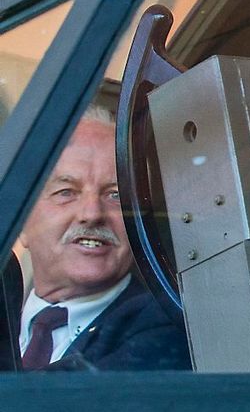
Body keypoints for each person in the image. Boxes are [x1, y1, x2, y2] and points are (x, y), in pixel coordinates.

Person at [17, 106, 190, 371]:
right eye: (66, 192)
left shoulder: (169, 328)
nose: (92, 214)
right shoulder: (6, 317)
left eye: (115, 195)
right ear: (20, 222)